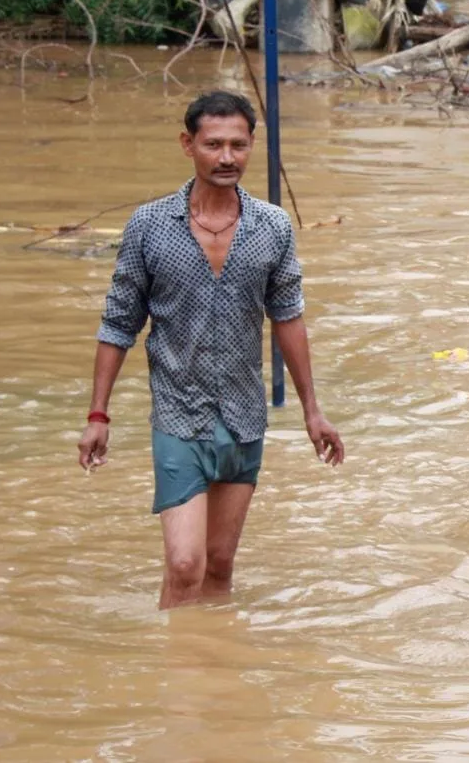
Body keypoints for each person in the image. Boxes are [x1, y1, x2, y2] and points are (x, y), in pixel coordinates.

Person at [77, 90, 344, 610]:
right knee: (185, 564)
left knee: (219, 563)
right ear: (188, 144)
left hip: (244, 417)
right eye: (213, 144)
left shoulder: (272, 226)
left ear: (252, 146)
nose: (227, 157)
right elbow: (119, 324)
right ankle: (174, 660)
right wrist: (97, 415)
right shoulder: (150, 225)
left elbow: (288, 317)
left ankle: (210, 656)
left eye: (238, 146)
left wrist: (312, 411)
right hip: (178, 415)